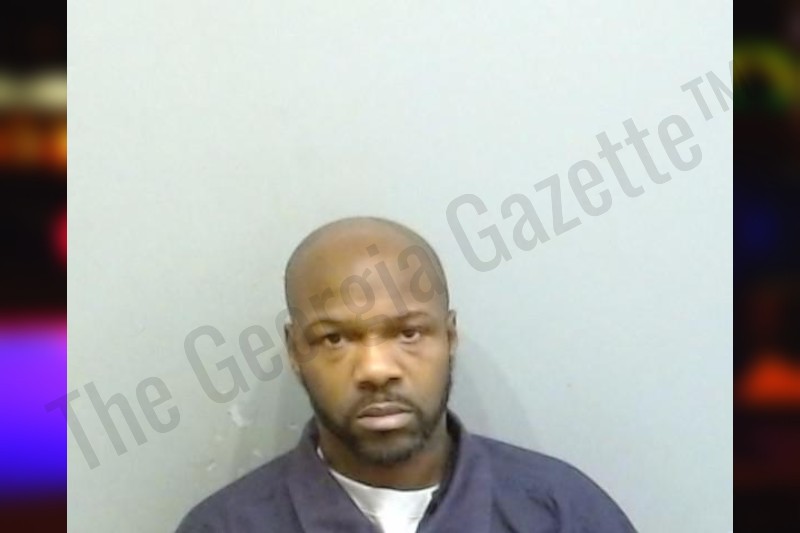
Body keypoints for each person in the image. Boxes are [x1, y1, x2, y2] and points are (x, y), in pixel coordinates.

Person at [176, 217, 636, 532]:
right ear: (296, 351)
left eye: (409, 333)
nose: (376, 369)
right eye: (334, 339)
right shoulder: (225, 526)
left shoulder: (561, 514)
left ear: (449, 337)